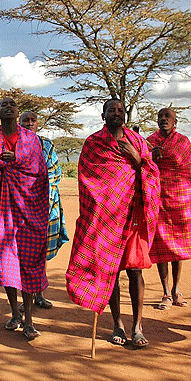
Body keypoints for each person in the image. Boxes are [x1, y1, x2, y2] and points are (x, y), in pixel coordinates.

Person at [66, 98, 160, 348]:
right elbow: (88, 180)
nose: (116, 114)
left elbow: (152, 174)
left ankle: (137, 326)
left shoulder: (138, 142)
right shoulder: (93, 143)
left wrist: (137, 159)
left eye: (120, 110)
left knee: (135, 270)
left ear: (125, 115)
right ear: (103, 115)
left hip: (132, 217)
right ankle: (117, 323)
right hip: (106, 219)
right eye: (111, 110)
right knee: (111, 271)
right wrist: (100, 207)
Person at [0, 97, 49, 341]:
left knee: (28, 261)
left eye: (12, 104)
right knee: (7, 260)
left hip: (28, 207)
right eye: (3, 104)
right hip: (1, 209)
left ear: (16, 112)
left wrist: (12, 161)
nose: (8, 107)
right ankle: (15, 313)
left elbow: (39, 171)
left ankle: (29, 320)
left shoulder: (31, 140)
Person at [18, 111, 68, 310]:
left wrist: (39, 196)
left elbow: (54, 173)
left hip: (46, 204)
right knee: (22, 254)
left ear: (37, 123)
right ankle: (25, 298)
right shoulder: (13, 144)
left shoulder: (46, 144)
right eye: (25, 121)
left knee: (41, 251)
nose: (29, 123)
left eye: (32, 120)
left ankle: (39, 293)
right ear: (19, 123)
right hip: (20, 206)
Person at [146, 108, 191, 310]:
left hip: (180, 199)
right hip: (156, 199)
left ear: (175, 121)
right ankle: (165, 292)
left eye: (167, 117)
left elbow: (188, 168)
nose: (163, 120)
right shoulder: (149, 141)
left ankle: (176, 289)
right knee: (161, 247)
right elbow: (142, 166)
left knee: (177, 247)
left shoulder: (183, 141)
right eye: (160, 117)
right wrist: (151, 157)